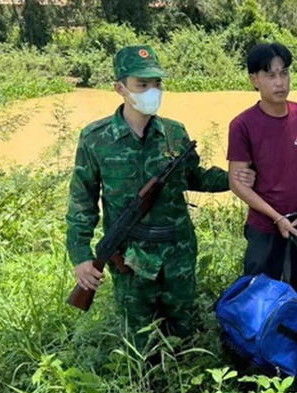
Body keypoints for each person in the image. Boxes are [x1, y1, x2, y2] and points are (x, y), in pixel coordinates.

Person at [65, 45, 255, 350]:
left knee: (182, 333)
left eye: (157, 83)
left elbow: (195, 177)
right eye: (142, 84)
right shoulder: (95, 138)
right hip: (131, 259)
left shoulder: (173, 133)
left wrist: (236, 178)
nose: (152, 91)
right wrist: (81, 256)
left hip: (177, 253)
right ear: (120, 88)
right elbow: (82, 201)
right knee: (141, 342)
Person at [227, 42, 297, 302]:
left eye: (284, 73)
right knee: (258, 293)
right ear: (254, 80)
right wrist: (276, 217)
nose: (280, 82)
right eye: (270, 75)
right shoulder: (242, 125)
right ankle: (252, 340)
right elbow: (238, 183)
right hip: (264, 227)